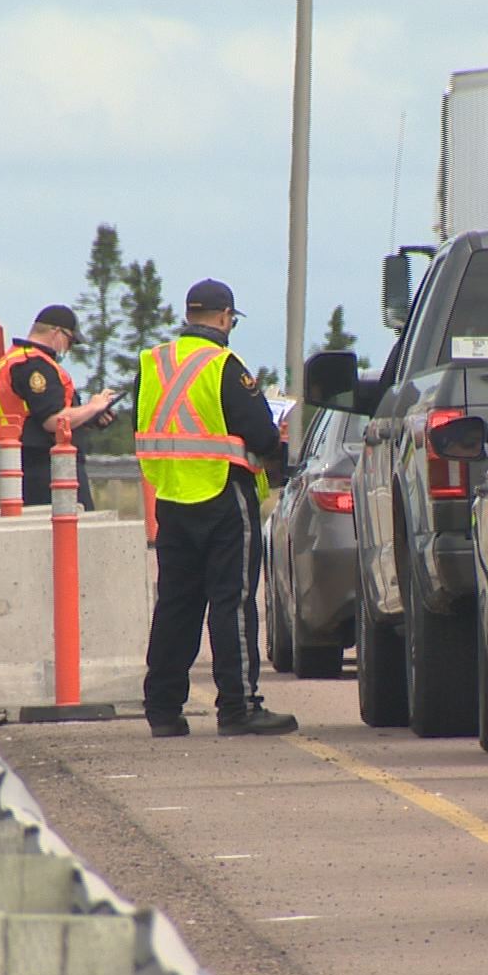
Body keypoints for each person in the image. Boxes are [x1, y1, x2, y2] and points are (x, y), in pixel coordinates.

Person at [134, 278, 297, 738]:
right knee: (233, 602)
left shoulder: (152, 362)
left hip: (171, 497)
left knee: (176, 605)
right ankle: (239, 707)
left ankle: (163, 710)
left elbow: (140, 425)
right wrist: (275, 452)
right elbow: (261, 434)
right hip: (224, 494)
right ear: (226, 318)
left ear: (189, 315)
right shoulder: (224, 364)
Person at [0, 304, 119, 510]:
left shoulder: (17, 359)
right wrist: (94, 406)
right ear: (57, 333)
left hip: (29, 462)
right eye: (70, 341)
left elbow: (44, 414)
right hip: (48, 466)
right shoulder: (33, 366)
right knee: (72, 530)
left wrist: (90, 417)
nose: (68, 348)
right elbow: (52, 420)